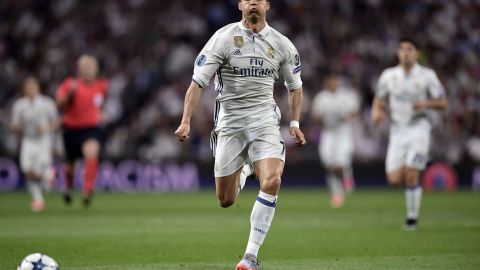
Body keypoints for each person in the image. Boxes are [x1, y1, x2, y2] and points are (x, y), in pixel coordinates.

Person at [174, 0, 306, 269]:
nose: (253, 3)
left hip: (264, 121)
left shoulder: (282, 44)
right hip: (230, 124)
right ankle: (245, 169)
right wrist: (185, 120)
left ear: (267, 5)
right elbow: (198, 83)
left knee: (271, 181)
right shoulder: (223, 38)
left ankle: (250, 256)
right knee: (226, 200)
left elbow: (295, 86)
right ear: (240, 5)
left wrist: (294, 122)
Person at [371, 38, 448, 230]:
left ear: (417, 53)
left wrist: (425, 104)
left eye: (410, 49)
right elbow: (379, 98)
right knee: (394, 180)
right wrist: (376, 111)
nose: (405, 52)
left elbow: (443, 102)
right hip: (397, 130)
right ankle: (414, 169)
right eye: (402, 49)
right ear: (398, 53)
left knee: (412, 174)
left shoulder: (427, 75)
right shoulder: (389, 75)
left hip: (419, 128)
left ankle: (412, 219)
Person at [56, 54, 109, 207]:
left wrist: (101, 113)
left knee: (91, 152)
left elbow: (97, 103)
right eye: (84, 67)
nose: (88, 70)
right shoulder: (69, 84)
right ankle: (68, 187)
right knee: (69, 167)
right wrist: (69, 95)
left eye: (90, 66)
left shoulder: (102, 86)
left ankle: (87, 189)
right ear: (79, 69)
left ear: (96, 69)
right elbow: (59, 105)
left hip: (90, 129)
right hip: (71, 130)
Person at [311, 72, 359, 208]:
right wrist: (320, 118)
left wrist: (346, 116)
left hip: (343, 132)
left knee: (340, 164)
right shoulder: (321, 98)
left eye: (335, 79)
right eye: (330, 80)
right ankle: (337, 194)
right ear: (326, 82)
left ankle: (347, 175)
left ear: (338, 81)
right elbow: (316, 118)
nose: (333, 82)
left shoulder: (347, 96)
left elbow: (355, 112)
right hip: (328, 133)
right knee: (329, 165)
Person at [11, 76, 58, 212]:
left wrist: (46, 128)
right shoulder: (19, 105)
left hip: (43, 140)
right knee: (27, 169)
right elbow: (15, 124)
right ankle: (48, 176)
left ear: (38, 88)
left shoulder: (47, 103)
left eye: (33, 87)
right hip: (28, 140)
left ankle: (38, 200)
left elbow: (56, 122)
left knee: (37, 169)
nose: (31, 89)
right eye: (28, 87)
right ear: (25, 89)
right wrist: (16, 126)